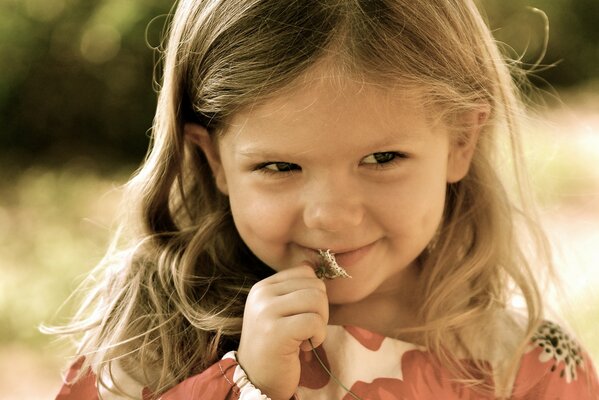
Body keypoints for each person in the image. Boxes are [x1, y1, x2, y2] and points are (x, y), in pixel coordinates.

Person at [50, 0, 598, 399]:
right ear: (213, 160)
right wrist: (249, 386)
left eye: (382, 159)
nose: (332, 215)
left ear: (460, 140)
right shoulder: (152, 339)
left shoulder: (531, 368)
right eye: (279, 167)